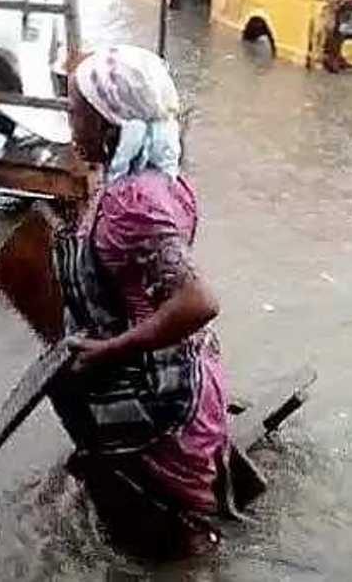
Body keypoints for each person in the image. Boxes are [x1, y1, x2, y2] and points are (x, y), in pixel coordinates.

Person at [49, 45, 235, 558]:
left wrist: (111, 351)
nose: (70, 124)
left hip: (161, 398)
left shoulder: (134, 204)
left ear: (110, 122)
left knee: (175, 543)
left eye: (76, 112)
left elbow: (198, 301)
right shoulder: (157, 181)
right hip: (184, 374)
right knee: (163, 527)